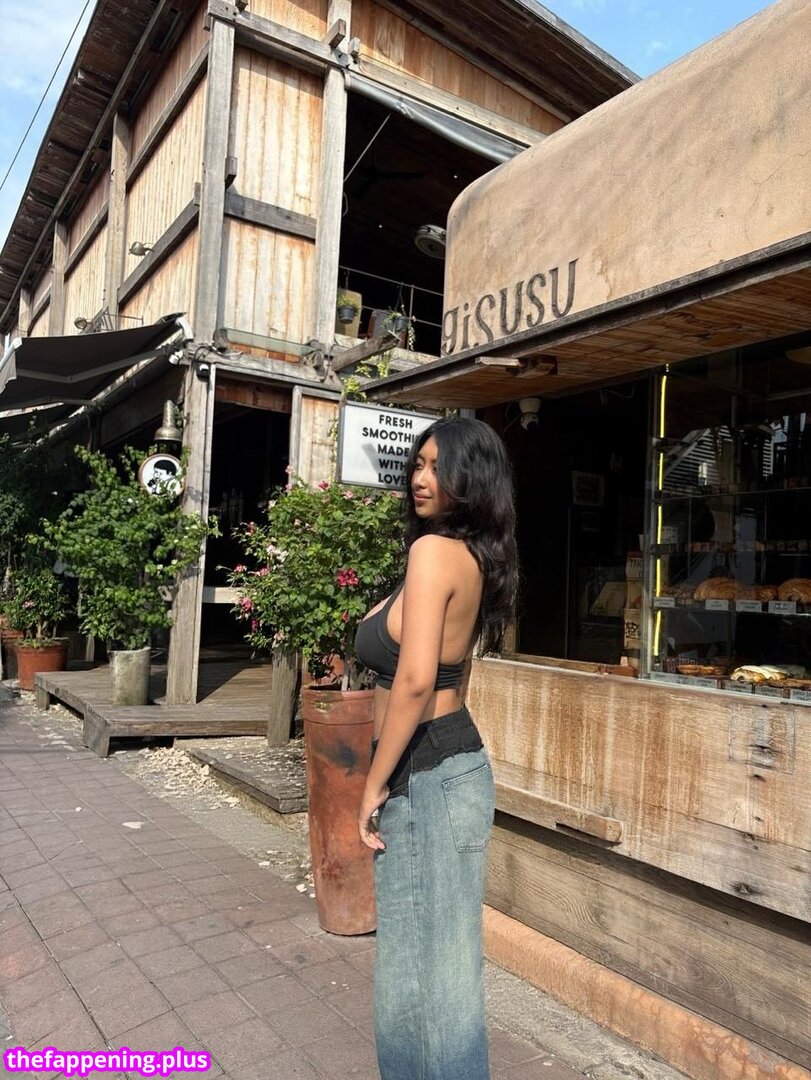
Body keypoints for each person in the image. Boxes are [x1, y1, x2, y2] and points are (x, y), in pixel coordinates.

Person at [356, 415, 518, 1080]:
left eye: (437, 467)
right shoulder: (471, 558)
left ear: (470, 478)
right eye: (417, 465)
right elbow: (457, 673)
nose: (420, 479)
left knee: (431, 976)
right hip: (448, 766)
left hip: (425, 772)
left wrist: (373, 783)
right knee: (424, 965)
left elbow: (417, 681)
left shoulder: (433, 553)